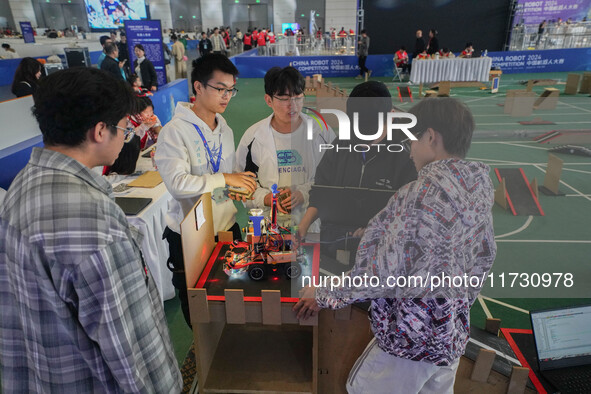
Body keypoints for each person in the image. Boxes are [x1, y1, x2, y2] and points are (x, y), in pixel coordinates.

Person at [294, 97, 496, 394]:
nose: (409, 149)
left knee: (361, 388)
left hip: (410, 342)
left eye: (412, 139)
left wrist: (322, 294)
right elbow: (485, 256)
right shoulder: (479, 189)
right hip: (450, 336)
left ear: (430, 136)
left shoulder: (416, 194)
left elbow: (378, 275)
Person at [0, 66, 182, 392]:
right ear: (100, 131)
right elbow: (134, 347)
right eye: (125, 127)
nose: (128, 136)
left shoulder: (21, 186)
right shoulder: (96, 225)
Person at [154, 54, 257, 327]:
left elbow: (223, 180)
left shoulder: (225, 129)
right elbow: (177, 184)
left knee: (233, 298)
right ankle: (204, 359)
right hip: (190, 235)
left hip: (227, 227)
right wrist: (224, 178)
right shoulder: (174, 131)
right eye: (219, 88)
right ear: (198, 87)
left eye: (231, 90)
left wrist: (235, 188)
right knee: (198, 308)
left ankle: (230, 352)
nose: (226, 96)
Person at [298, 81, 417, 265]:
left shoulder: (407, 158)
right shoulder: (338, 147)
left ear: (391, 117)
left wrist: (377, 230)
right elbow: (320, 193)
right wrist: (302, 228)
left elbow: (409, 215)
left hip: (382, 256)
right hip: (334, 246)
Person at [235, 66, 334, 230]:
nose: (292, 105)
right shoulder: (252, 137)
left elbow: (334, 176)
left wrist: (304, 194)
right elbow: (241, 182)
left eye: (298, 97)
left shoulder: (322, 132)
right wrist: (266, 198)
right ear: (269, 100)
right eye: (284, 98)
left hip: (312, 225)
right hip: (268, 225)